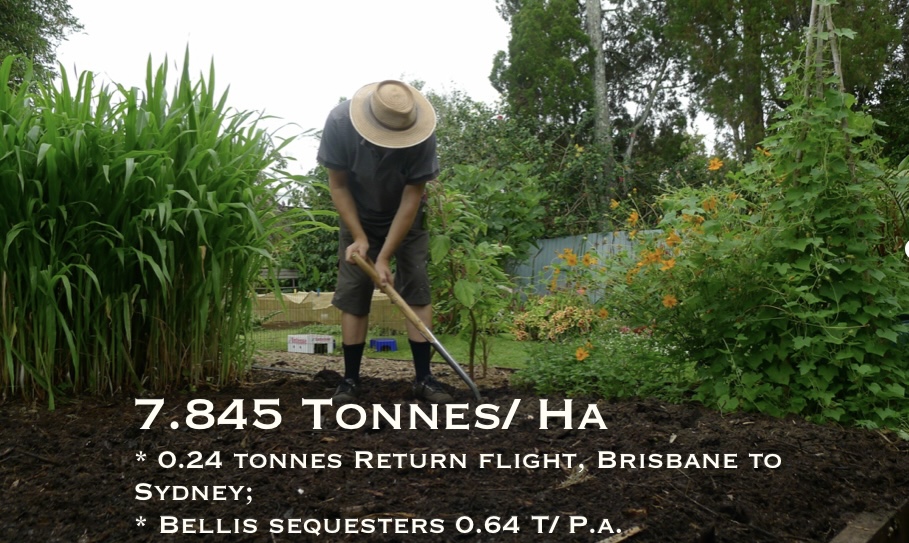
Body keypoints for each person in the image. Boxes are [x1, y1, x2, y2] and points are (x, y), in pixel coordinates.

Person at [316, 80, 453, 405]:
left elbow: (411, 199)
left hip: (406, 220)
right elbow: (338, 186)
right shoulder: (339, 123)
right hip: (357, 215)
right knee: (353, 293)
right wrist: (360, 238)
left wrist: (384, 257)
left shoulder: (422, 134)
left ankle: (424, 379)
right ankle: (349, 381)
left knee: (416, 288)